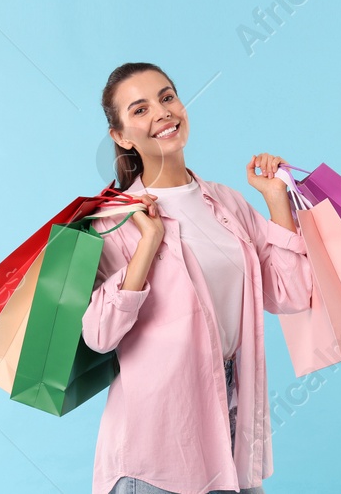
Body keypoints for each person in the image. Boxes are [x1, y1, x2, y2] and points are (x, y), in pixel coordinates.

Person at [84, 62, 312, 494]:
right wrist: (147, 245)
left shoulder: (227, 202)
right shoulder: (113, 220)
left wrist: (276, 199)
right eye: (140, 109)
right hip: (156, 446)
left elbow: (291, 292)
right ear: (121, 137)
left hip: (232, 426)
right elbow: (99, 335)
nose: (162, 112)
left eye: (167, 97)